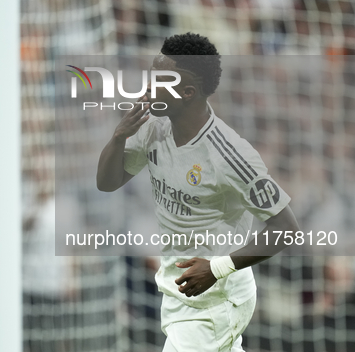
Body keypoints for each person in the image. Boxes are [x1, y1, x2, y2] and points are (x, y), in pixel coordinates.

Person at [96, 32, 299, 351]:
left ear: (187, 92)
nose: (148, 86)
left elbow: (287, 229)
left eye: (160, 79)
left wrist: (216, 268)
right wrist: (119, 136)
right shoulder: (153, 128)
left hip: (216, 298)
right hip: (180, 292)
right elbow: (107, 182)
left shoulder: (231, 156)